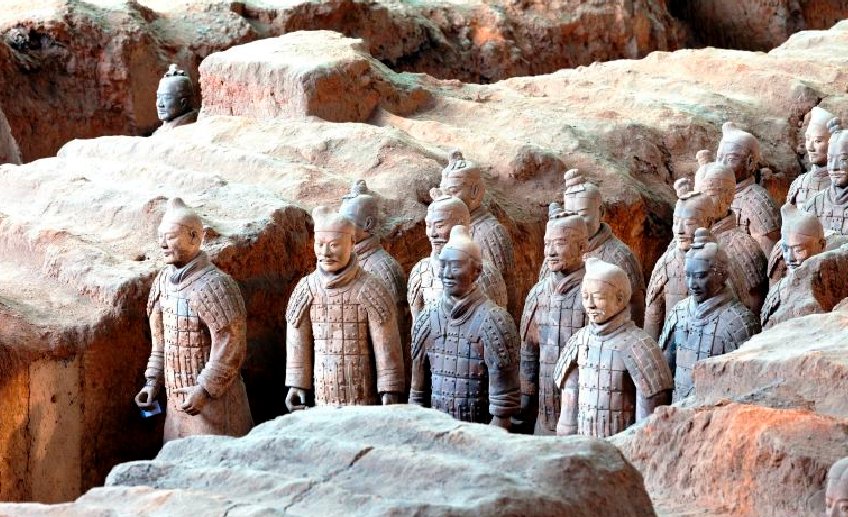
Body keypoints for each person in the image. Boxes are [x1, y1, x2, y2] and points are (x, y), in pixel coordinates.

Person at [135, 197, 253, 442]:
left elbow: (231, 345)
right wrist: (152, 382)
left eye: (170, 237)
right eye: (160, 238)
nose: (163, 245)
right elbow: (161, 344)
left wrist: (204, 389)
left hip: (214, 405)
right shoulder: (162, 283)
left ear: (193, 237)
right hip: (176, 404)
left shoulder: (216, 285)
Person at [284, 207, 404, 410]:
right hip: (322, 392)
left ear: (352, 243)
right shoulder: (306, 288)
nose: (325, 253)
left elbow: (387, 344)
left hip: (362, 394)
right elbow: (297, 340)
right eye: (319, 244)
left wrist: (390, 389)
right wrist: (297, 384)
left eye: (334, 245)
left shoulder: (370, 288)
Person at [410, 225, 520, 427]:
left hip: (480, 436)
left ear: (476, 271)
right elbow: (417, 399)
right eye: (443, 265)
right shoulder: (426, 319)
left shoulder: (495, 321)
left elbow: (503, 411)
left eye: (455, 266)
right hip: (435, 435)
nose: (446, 273)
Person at [554, 258, 672, 437]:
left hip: (621, 447)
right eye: (585, 297)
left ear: (620, 299)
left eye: (598, 297)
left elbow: (647, 428)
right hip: (582, 446)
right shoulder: (579, 341)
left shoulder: (640, 346)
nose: (590, 304)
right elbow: (567, 419)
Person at [659, 228, 760, 402]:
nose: (692, 284)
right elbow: (665, 372)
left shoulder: (740, 323)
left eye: (700, 276)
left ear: (722, 275)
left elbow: (746, 386)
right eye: (688, 276)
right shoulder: (679, 313)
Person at [539, 170, 645, 326]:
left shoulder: (620, 256)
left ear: (601, 212)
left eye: (582, 215)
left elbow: (636, 308)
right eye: (570, 214)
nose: (577, 222)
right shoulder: (554, 255)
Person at [519, 210, 589, 434]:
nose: (550, 252)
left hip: (584, 421)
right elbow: (528, 353)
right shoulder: (538, 293)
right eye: (547, 244)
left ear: (582, 246)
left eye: (559, 243)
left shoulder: (594, 292)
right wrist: (524, 405)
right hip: (544, 419)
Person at [408, 190, 506, 321]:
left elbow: (498, 322)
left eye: (439, 226)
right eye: (428, 225)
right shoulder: (421, 271)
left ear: (460, 224)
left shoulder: (487, 273)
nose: (431, 233)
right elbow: (417, 325)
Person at [716, 122, 780, 256]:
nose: (721, 165)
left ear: (750, 162)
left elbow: (772, 258)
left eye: (730, 159)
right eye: (719, 158)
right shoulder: (715, 195)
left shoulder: (758, 201)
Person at [154, 64, 198, 132]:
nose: (160, 104)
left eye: (167, 98)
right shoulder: (170, 125)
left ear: (183, 103)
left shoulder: (186, 129)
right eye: (158, 97)